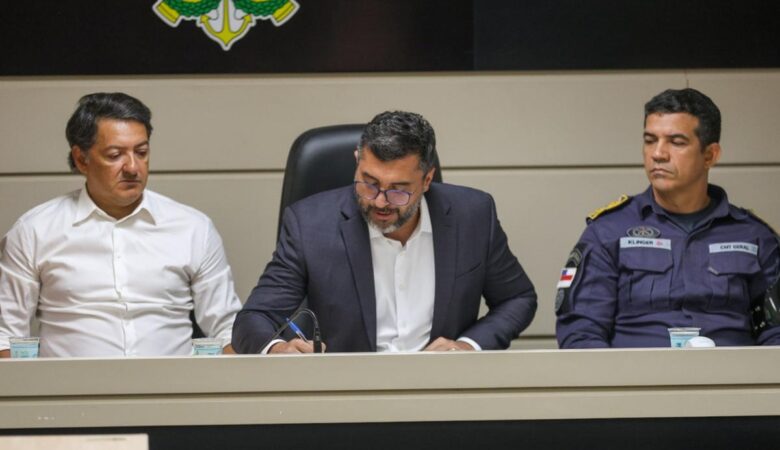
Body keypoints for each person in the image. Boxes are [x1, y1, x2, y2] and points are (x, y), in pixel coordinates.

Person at [233, 111, 537, 353]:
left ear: (427, 179)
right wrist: (279, 350)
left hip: (442, 388)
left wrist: (468, 346)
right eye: (369, 183)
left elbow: (517, 298)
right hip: (347, 393)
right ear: (357, 162)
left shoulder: (473, 216)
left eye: (398, 190)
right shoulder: (309, 224)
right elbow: (254, 318)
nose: (380, 201)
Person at [0, 92, 242, 357]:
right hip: (67, 383)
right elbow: (5, 337)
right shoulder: (35, 231)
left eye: (141, 152)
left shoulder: (193, 228)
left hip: (173, 381)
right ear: (81, 159)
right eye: (115, 155)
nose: (132, 168)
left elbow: (227, 329)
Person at [555, 88, 780, 348]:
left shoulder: (754, 236)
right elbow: (581, 333)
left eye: (676, 142)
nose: (658, 154)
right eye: (650, 140)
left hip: (732, 373)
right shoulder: (608, 231)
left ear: (710, 155)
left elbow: (776, 333)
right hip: (636, 373)